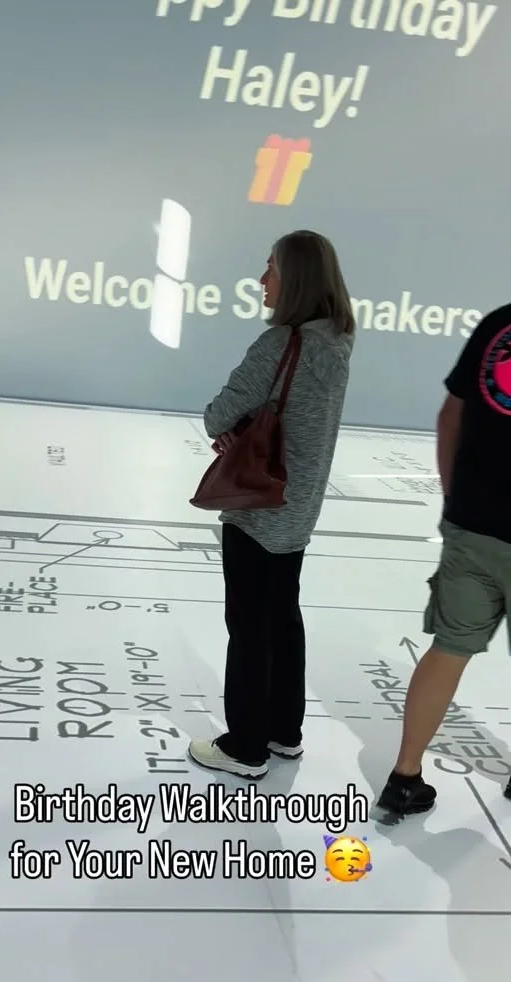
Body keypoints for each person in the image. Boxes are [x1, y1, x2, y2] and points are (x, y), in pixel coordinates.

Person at [188, 230, 355, 780]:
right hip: (300, 507)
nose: (262, 280)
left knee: (249, 627)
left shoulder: (279, 344)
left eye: (271, 270)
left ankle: (245, 747)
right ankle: (285, 732)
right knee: (283, 618)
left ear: (296, 280)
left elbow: (217, 415)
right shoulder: (337, 343)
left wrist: (231, 427)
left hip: (259, 505)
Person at [377, 303, 511, 815]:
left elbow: (449, 414)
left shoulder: (500, 323)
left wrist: (456, 498)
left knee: (448, 649)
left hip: (472, 526)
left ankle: (404, 776)